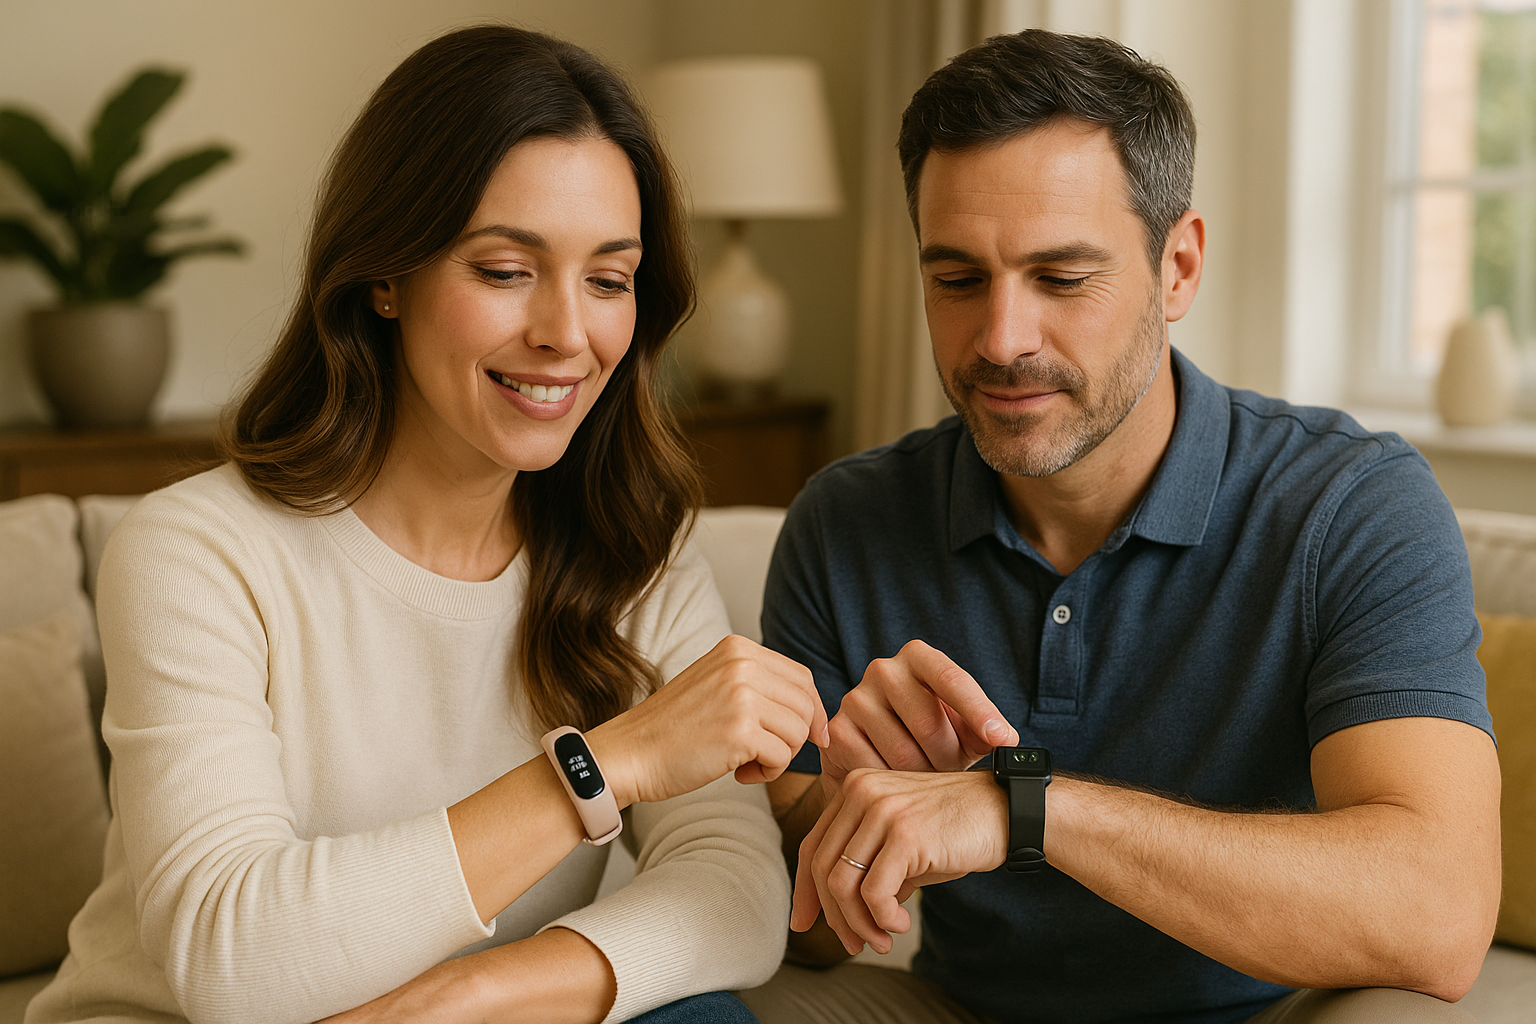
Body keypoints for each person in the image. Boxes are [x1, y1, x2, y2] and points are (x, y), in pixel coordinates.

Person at [25, 25, 826, 1024]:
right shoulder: (197, 551)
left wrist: (472, 991)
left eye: (610, 278)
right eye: (505, 269)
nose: (567, 334)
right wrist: (610, 760)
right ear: (386, 275)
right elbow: (230, 964)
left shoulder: (635, 560)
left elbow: (737, 892)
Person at [739, 28, 1500, 1024]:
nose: (1002, 340)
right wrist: (853, 824)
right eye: (958, 280)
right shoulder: (846, 521)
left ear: (1177, 267)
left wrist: (1020, 807)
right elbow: (810, 938)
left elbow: (1437, 912)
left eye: (1062, 279)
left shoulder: (1350, 506)